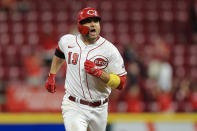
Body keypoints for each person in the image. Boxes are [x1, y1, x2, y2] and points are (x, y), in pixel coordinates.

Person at [44, 7, 127, 131]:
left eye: (96, 21)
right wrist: (52, 75)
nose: (93, 24)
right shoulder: (68, 41)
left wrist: (100, 74)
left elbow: (122, 82)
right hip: (74, 105)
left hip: (100, 108)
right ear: (79, 25)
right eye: (88, 21)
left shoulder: (110, 50)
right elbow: (59, 52)